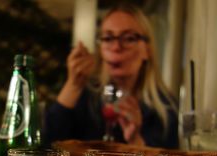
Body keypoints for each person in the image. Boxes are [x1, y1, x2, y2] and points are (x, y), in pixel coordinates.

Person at [44, 3, 178, 148]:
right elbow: (45, 147)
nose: (116, 47)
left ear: (147, 50)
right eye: (108, 38)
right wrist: (73, 85)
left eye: (128, 38)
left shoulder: (165, 107)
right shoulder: (84, 95)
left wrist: (135, 139)